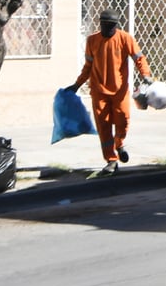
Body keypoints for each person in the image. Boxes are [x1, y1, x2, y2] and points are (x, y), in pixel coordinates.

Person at [65, 9, 153, 176]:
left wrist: (146, 75)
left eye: (111, 26)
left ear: (116, 25)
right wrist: (77, 85)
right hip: (99, 92)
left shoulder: (125, 38)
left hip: (120, 91)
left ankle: (119, 144)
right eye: (105, 25)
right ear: (101, 24)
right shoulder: (92, 41)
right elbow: (88, 67)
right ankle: (111, 160)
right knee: (104, 126)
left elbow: (139, 58)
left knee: (123, 120)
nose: (108, 28)